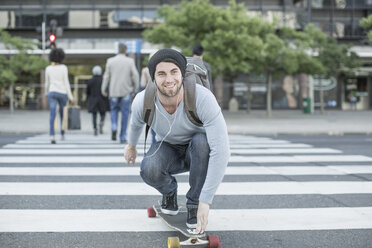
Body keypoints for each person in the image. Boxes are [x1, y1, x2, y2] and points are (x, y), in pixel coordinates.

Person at [124, 48, 230, 234]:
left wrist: (205, 200)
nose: (169, 79)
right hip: (168, 147)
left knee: (202, 142)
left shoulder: (203, 98)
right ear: (153, 78)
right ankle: (169, 193)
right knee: (149, 169)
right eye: (162, 74)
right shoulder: (143, 100)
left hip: (197, 151)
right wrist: (131, 146)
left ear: (182, 74)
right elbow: (135, 124)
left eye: (174, 72)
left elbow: (221, 151)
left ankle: (194, 204)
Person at [101, 43, 139, 143]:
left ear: (117, 50)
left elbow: (106, 76)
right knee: (125, 113)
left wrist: (104, 89)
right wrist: (135, 88)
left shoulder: (110, 61)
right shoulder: (130, 61)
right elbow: (135, 75)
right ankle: (122, 135)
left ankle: (114, 126)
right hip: (126, 90)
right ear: (125, 51)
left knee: (113, 110)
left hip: (113, 90)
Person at [45, 48, 74, 144]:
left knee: (52, 114)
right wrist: (71, 96)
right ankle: (62, 133)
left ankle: (52, 135)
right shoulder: (64, 68)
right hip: (62, 93)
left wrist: (46, 93)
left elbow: (47, 83)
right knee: (63, 114)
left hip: (52, 92)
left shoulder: (48, 68)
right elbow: (66, 83)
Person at [86, 65, 109, 136]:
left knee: (94, 115)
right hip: (102, 99)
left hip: (93, 99)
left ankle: (95, 128)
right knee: (103, 113)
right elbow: (106, 89)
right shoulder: (103, 80)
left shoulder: (90, 80)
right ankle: (101, 122)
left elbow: (87, 91)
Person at [140, 52, 156, 143]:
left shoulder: (145, 70)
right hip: (162, 98)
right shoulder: (163, 70)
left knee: (152, 121)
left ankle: (154, 143)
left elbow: (142, 84)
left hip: (150, 97)